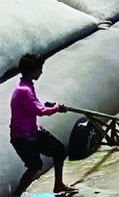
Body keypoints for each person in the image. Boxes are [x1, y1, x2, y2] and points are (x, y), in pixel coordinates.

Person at [9, 54, 75, 197]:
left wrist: (55, 108)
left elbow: (32, 110)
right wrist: (57, 108)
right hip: (22, 137)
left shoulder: (26, 86)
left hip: (32, 132)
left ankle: (58, 185)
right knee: (34, 165)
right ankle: (16, 195)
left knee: (59, 150)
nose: (41, 72)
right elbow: (40, 110)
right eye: (40, 69)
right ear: (32, 71)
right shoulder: (24, 91)